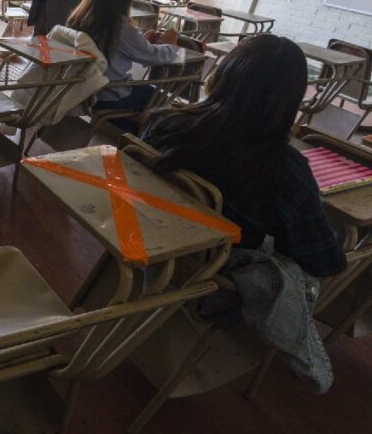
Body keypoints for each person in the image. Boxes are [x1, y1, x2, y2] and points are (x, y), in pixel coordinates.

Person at [142, 34, 345, 279]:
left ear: (223, 74)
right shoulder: (285, 171)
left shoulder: (164, 121)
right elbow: (323, 262)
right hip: (216, 270)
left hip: (149, 236)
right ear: (291, 100)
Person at [66, 0, 183, 132]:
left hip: (82, 89)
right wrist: (170, 44)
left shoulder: (80, 15)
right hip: (108, 94)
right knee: (161, 99)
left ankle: (120, 131)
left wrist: (141, 39)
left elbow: (121, 47)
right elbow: (154, 56)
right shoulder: (118, 25)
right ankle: (132, 139)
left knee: (144, 93)